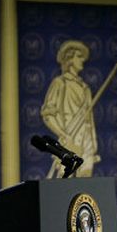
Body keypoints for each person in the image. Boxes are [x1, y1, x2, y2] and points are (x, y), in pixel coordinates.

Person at [41, 40, 100, 178]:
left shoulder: (85, 88)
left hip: (86, 140)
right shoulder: (60, 83)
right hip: (70, 139)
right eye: (78, 57)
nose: (82, 61)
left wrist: (93, 141)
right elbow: (47, 114)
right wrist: (63, 134)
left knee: (86, 184)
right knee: (64, 183)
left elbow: (89, 119)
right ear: (70, 59)